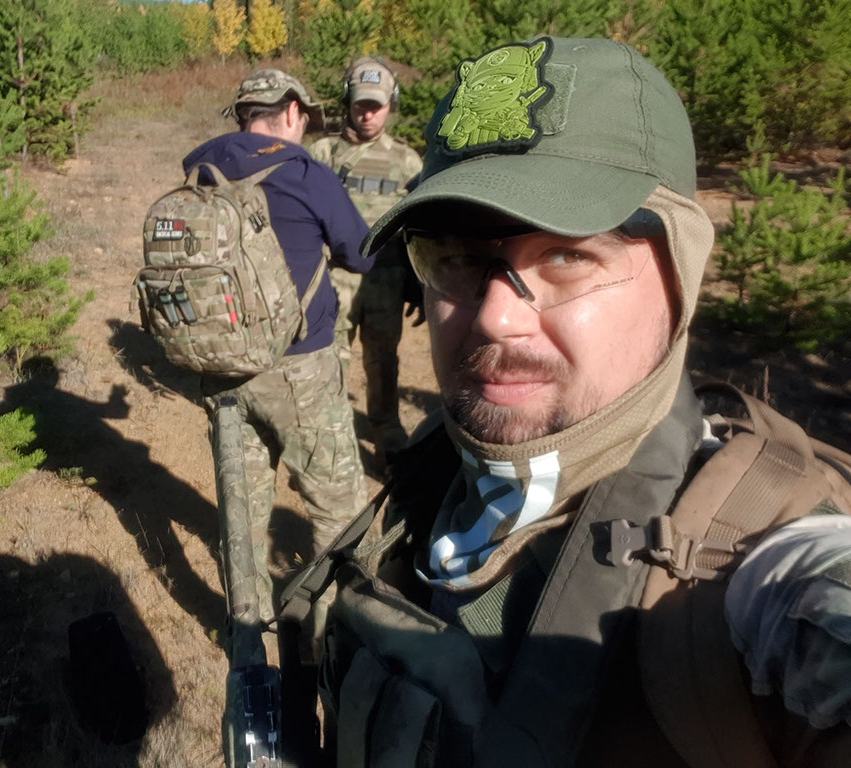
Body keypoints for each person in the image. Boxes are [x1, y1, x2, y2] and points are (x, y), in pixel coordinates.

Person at [312, 37, 851, 766]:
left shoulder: (754, 582)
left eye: (567, 255)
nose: (495, 317)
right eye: (458, 258)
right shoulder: (434, 476)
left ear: (682, 276)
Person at [183, 69, 373, 620]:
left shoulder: (199, 171)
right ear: (292, 111)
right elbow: (361, 254)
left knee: (241, 516)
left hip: (221, 367)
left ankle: (249, 630)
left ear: (243, 116)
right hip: (299, 371)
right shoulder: (306, 173)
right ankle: (333, 632)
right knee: (338, 509)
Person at [308, 57, 423, 469]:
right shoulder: (321, 153)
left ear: (391, 104)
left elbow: (418, 228)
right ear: (348, 101)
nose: (368, 114)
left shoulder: (408, 162)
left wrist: (420, 283)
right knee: (328, 357)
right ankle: (328, 436)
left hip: (385, 280)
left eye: (376, 106)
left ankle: (387, 432)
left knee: (383, 360)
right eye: (360, 105)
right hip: (332, 278)